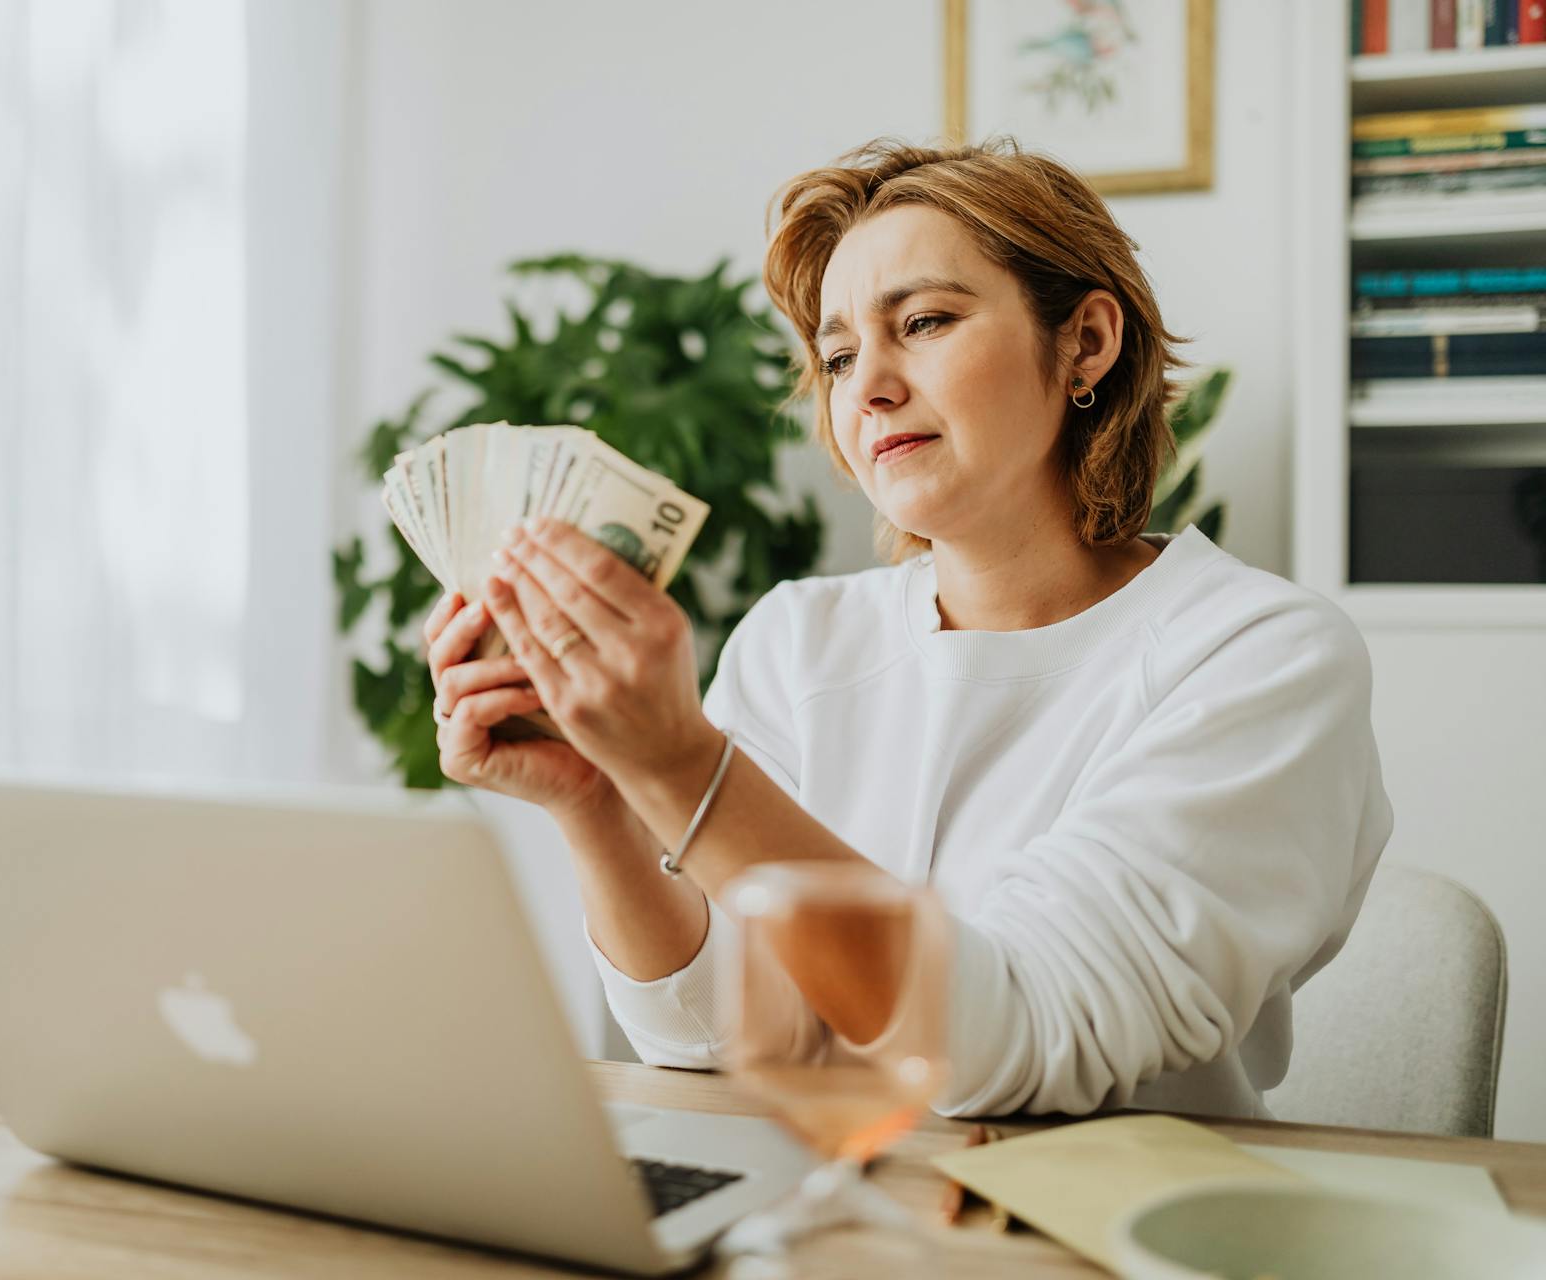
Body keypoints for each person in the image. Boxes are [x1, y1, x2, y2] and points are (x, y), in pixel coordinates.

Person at [421, 137, 1392, 1120]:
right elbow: (706, 1032)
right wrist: (600, 803)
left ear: (1086, 343)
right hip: (843, 1212)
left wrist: (678, 767)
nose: (868, 385)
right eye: (839, 356)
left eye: (923, 321)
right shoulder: (797, 639)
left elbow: (1019, 1042)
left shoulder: (1260, 656)